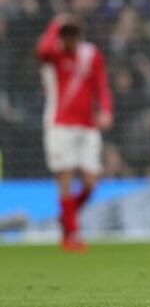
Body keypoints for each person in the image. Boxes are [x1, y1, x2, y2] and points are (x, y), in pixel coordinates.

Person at [36, 14, 113, 252]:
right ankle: (72, 235)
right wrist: (56, 23)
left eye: (73, 33)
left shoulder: (91, 55)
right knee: (65, 178)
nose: (69, 39)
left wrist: (106, 109)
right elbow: (42, 50)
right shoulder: (54, 56)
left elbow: (101, 83)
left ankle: (66, 218)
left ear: (80, 35)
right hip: (59, 123)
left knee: (91, 182)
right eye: (65, 34)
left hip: (87, 125)